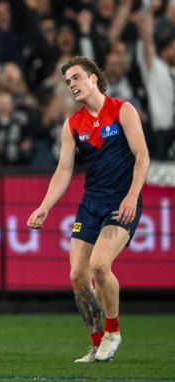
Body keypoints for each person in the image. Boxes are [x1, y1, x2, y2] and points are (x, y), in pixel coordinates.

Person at [26, 56, 150, 363]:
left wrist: (132, 196)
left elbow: (142, 157)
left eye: (77, 78)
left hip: (121, 202)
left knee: (99, 265)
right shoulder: (72, 124)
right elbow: (64, 171)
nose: (72, 85)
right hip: (90, 205)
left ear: (94, 78)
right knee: (78, 276)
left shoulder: (122, 110)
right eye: (68, 82)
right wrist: (44, 206)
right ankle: (96, 345)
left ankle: (113, 332)